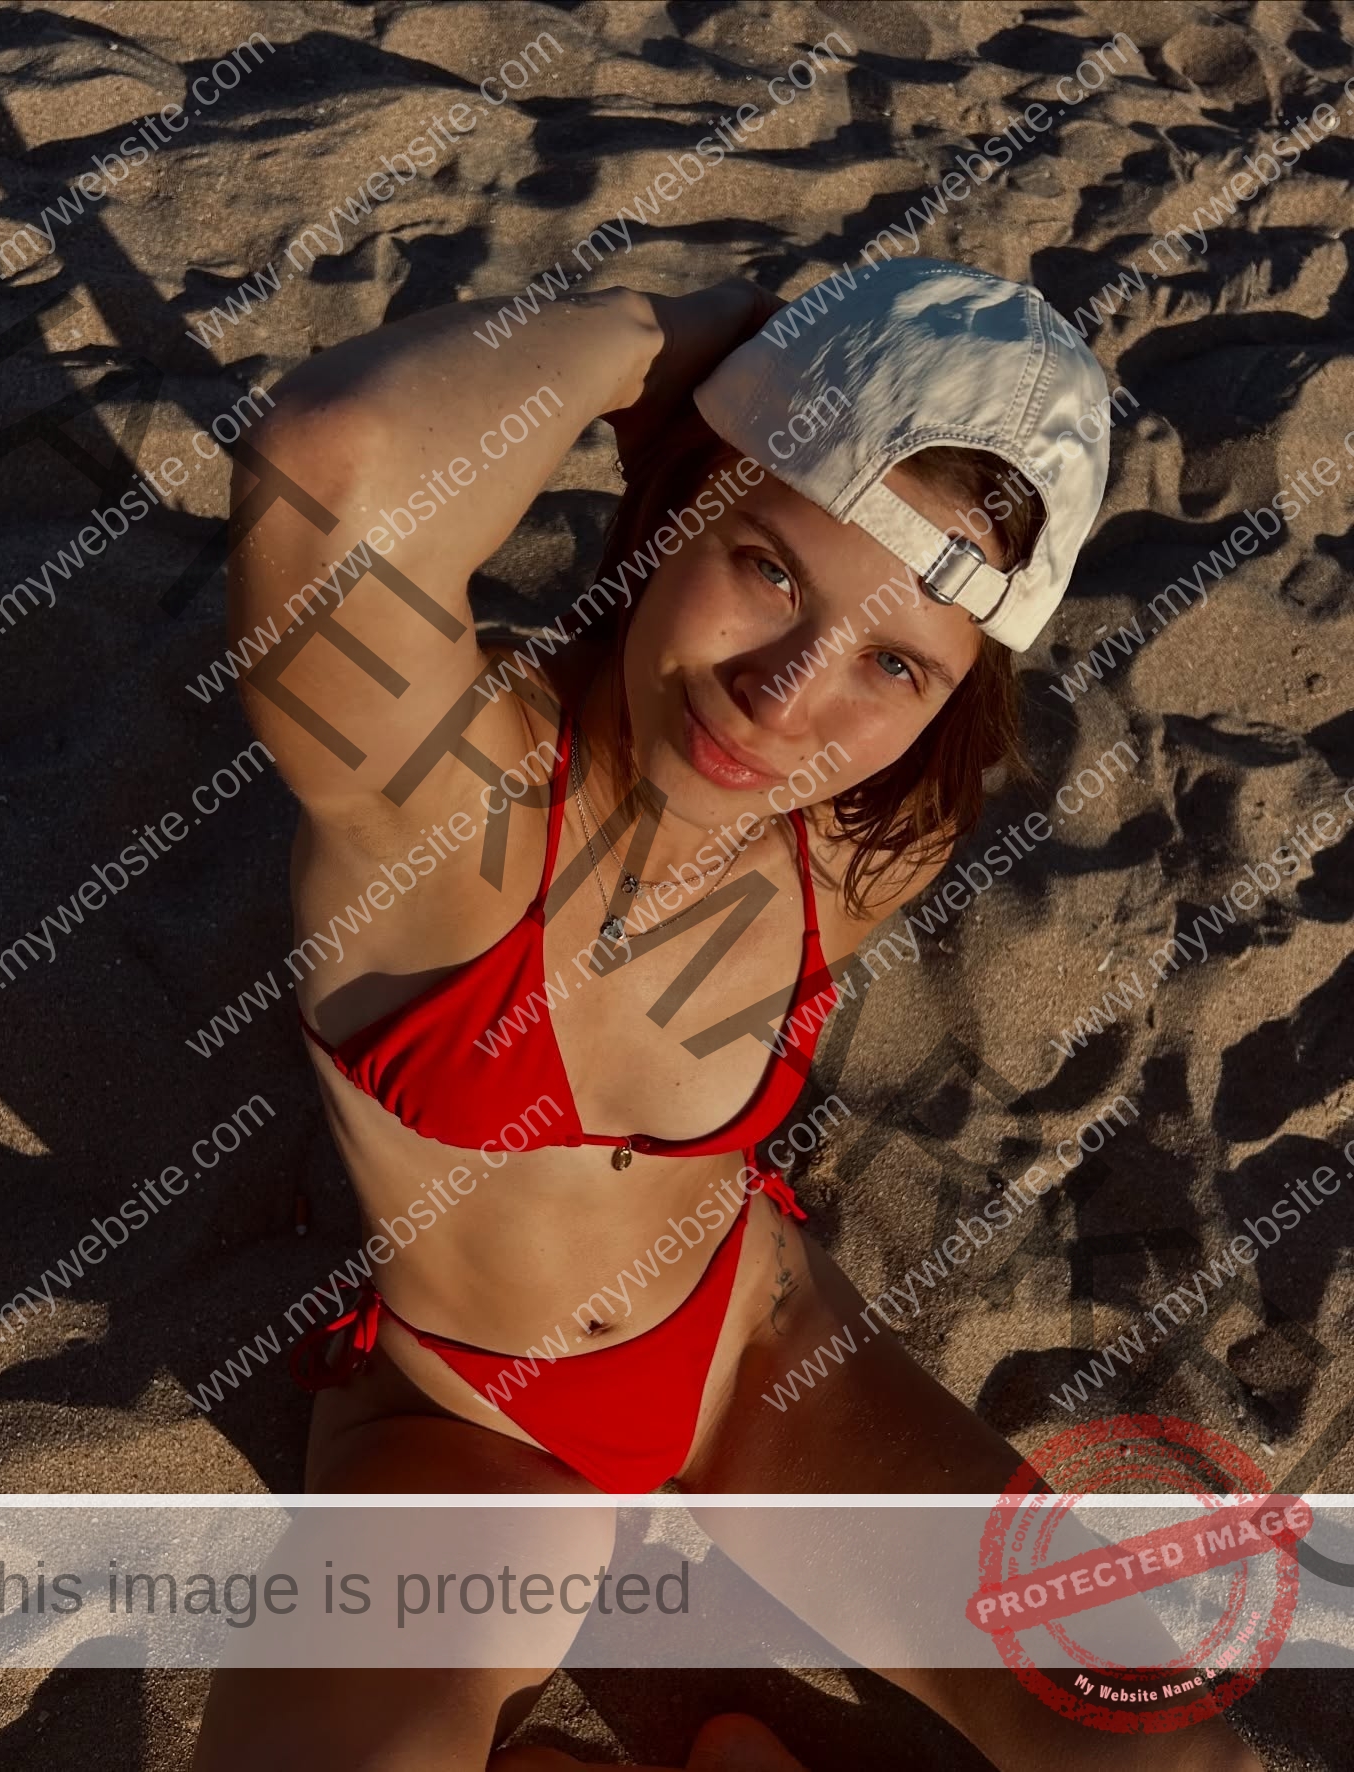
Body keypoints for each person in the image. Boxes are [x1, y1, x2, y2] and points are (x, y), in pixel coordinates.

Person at [193, 262, 1260, 1770]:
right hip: (479, 1433)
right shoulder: (454, 812)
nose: (788, 699)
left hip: (760, 1354)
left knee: (1157, 1742)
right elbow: (328, 460)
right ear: (678, 496)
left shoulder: (860, 847)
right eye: (766, 566)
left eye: (894, 663)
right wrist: (669, 332)